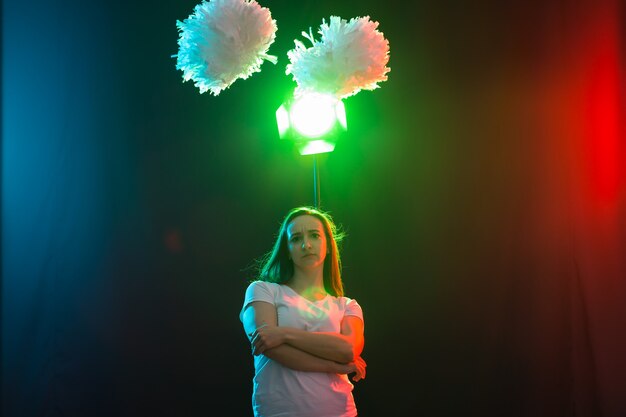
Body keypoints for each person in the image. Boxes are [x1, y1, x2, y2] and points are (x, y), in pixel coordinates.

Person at [240, 206, 366, 417]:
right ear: (287, 250)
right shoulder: (262, 291)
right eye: (296, 238)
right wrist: (333, 365)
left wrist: (283, 333)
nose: (306, 245)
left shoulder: (347, 306)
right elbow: (267, 345)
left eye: (315, 236)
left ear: (327, 245)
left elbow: (347, 350)